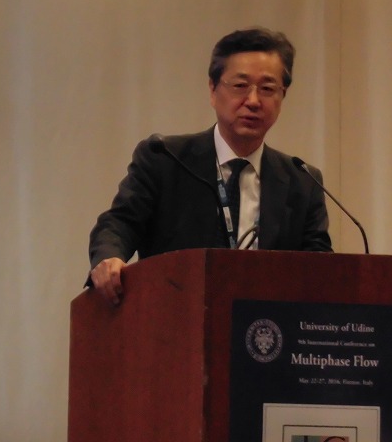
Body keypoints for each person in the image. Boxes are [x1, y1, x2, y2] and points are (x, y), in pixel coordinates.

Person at [88, 27, 332, 305]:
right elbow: (119, 223)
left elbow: (321, 269)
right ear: (213, 90)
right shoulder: (165, 159)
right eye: (240, 86)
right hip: (177, 316)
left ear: (282, 96)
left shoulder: (303, 181)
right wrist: (109, 257)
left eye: (267, 89)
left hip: (267, 325)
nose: (253, 101)